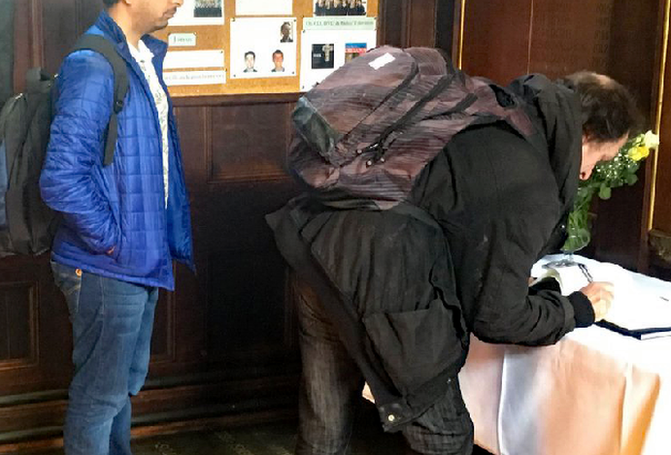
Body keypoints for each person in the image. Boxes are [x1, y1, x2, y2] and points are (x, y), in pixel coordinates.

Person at [270, 71, 641, 455]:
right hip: (380, 272)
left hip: (319, 242)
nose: (586, 173)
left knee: (325, 421)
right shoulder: (532, 183)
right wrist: (577, 308)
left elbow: (445, 211)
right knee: (445, 439)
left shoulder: (496, 110)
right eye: (600, 158)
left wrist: (507, 277)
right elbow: (497, 318)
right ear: (587, 135)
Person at [39, 0, 194, 455]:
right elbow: (61, 177)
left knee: (119, 388)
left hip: (137, 257)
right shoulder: (94, 64)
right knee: (100, 394)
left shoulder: (141, 57)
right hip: (109, 262)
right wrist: (114, 241)